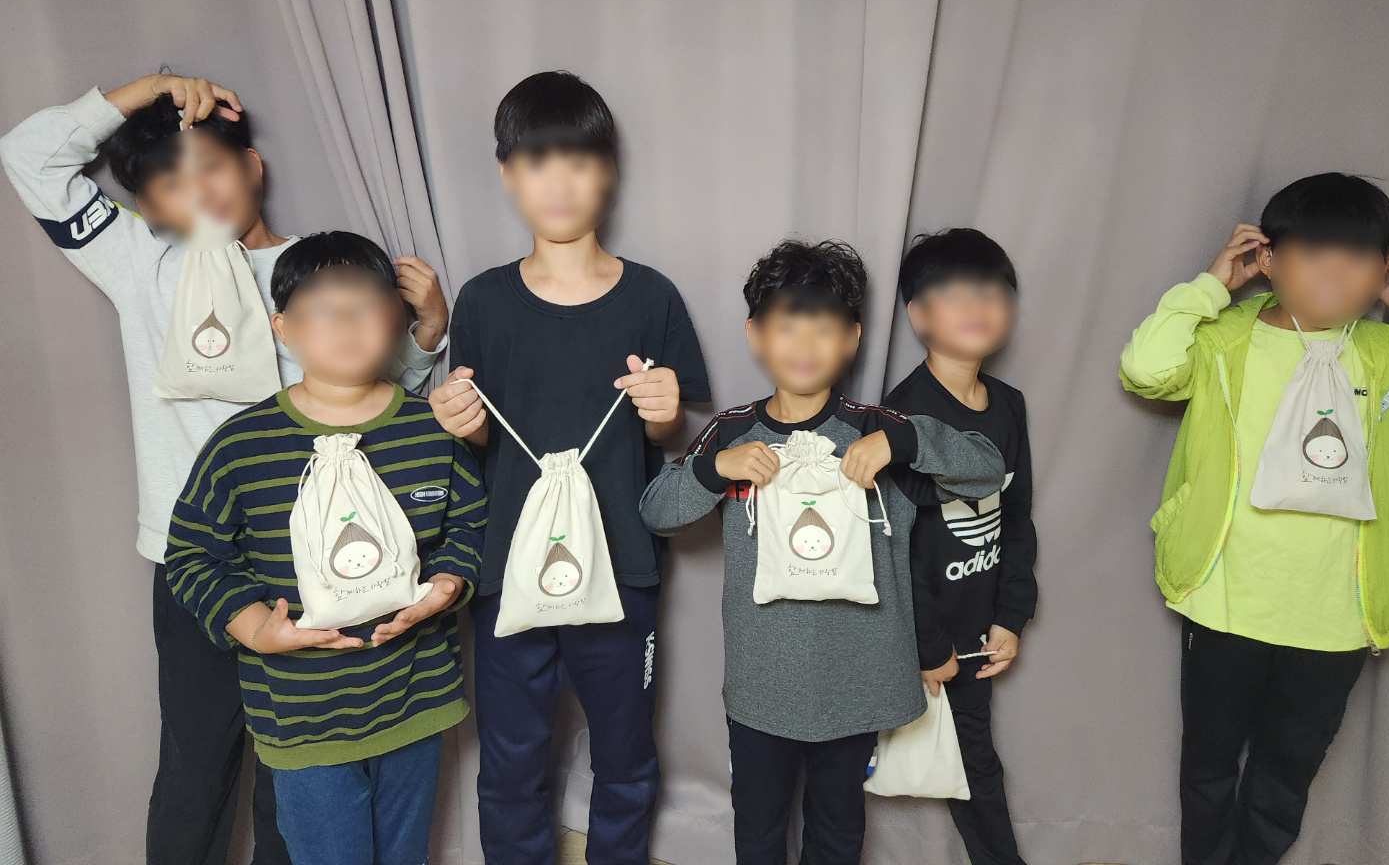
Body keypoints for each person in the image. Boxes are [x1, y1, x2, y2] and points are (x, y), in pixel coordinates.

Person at [0, 75, 449, 865]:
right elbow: (28, 155)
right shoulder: (142, 260)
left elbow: (372, 407)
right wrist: (154, 88)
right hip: (195, 558)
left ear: (251, 167)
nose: (198, 190)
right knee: (195, 764)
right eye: (171, 183)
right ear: (151, 208)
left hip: (308, 558)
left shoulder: (319, 273)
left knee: (298, 771)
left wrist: (424, 336)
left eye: (210, 165)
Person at [639, 238, 1005, 865]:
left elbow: (987, 469)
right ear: (755, 336)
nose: (804, 345)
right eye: (787, 328)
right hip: (760, 685)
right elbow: (656, 511)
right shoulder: (732, 432)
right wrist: (713, 469)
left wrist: (906, 444)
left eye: (824, 329)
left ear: (852, 338)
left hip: (857, 683)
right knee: (758, 832)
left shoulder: (877, 429)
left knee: (838, 832)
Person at [426, 71, 711, 864]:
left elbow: (675, 434)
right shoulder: (482, 301)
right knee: (511, 759)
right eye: (536, 162)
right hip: (506, 568)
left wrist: (665, 412)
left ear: (608, 171)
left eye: (579, 161)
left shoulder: (651, 297)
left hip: (621, 564)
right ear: (506, 173)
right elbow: (472, 442)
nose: (559, 182)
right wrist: (459, 424)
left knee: (624, 751)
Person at [1119, 172, 1389, 865]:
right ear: (1267, 258)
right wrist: (1210, 287)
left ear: (1382, 270)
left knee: (1286, 774)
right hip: (1226, 598)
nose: (1334, 271)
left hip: (1338, 613)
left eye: (1357, 255)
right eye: (1313, 250)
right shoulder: (1224, 340)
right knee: (1208, 767)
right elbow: (1146, 369)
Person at [165, 231, 486, 865]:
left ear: (396, 318)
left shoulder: (432, 429)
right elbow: (191, 553)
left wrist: (448, 586)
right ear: (284, 329)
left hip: (414, 696)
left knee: (404, 854)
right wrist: (254, 627)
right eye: (320, 308)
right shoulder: (242, 445)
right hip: (302, 713)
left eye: (365, 304)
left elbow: (471, 526)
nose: (344, 322)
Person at [885, 228, 1036, 865]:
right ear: (918, 315)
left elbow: (1017, 514)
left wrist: (1011, 615)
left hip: (979, 630)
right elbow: (895, 546)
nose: (977, 305)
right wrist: (929, 646)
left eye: (993, 291)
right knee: (879, 758)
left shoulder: (1008, 404)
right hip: (927, 637)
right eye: (954, 293)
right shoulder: (899, 418)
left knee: (976, 762)